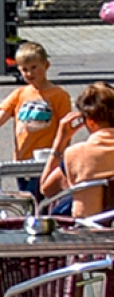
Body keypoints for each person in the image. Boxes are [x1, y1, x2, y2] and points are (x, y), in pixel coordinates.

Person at [0, 40, 71, 188]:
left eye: (34, 68)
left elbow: (66, 129)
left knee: (38, 198)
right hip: (21, 161)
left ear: (46, 66)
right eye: (24, 69)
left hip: (45, 160)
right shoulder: (19, 94)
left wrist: (60, 155)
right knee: (27, 198)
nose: (29, 73)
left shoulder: (59, 95)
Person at [42, 83, 114, 214]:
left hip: (89, 228)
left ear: (90, 121)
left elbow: (47, 189)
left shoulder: (77, 154)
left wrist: (60, 142)